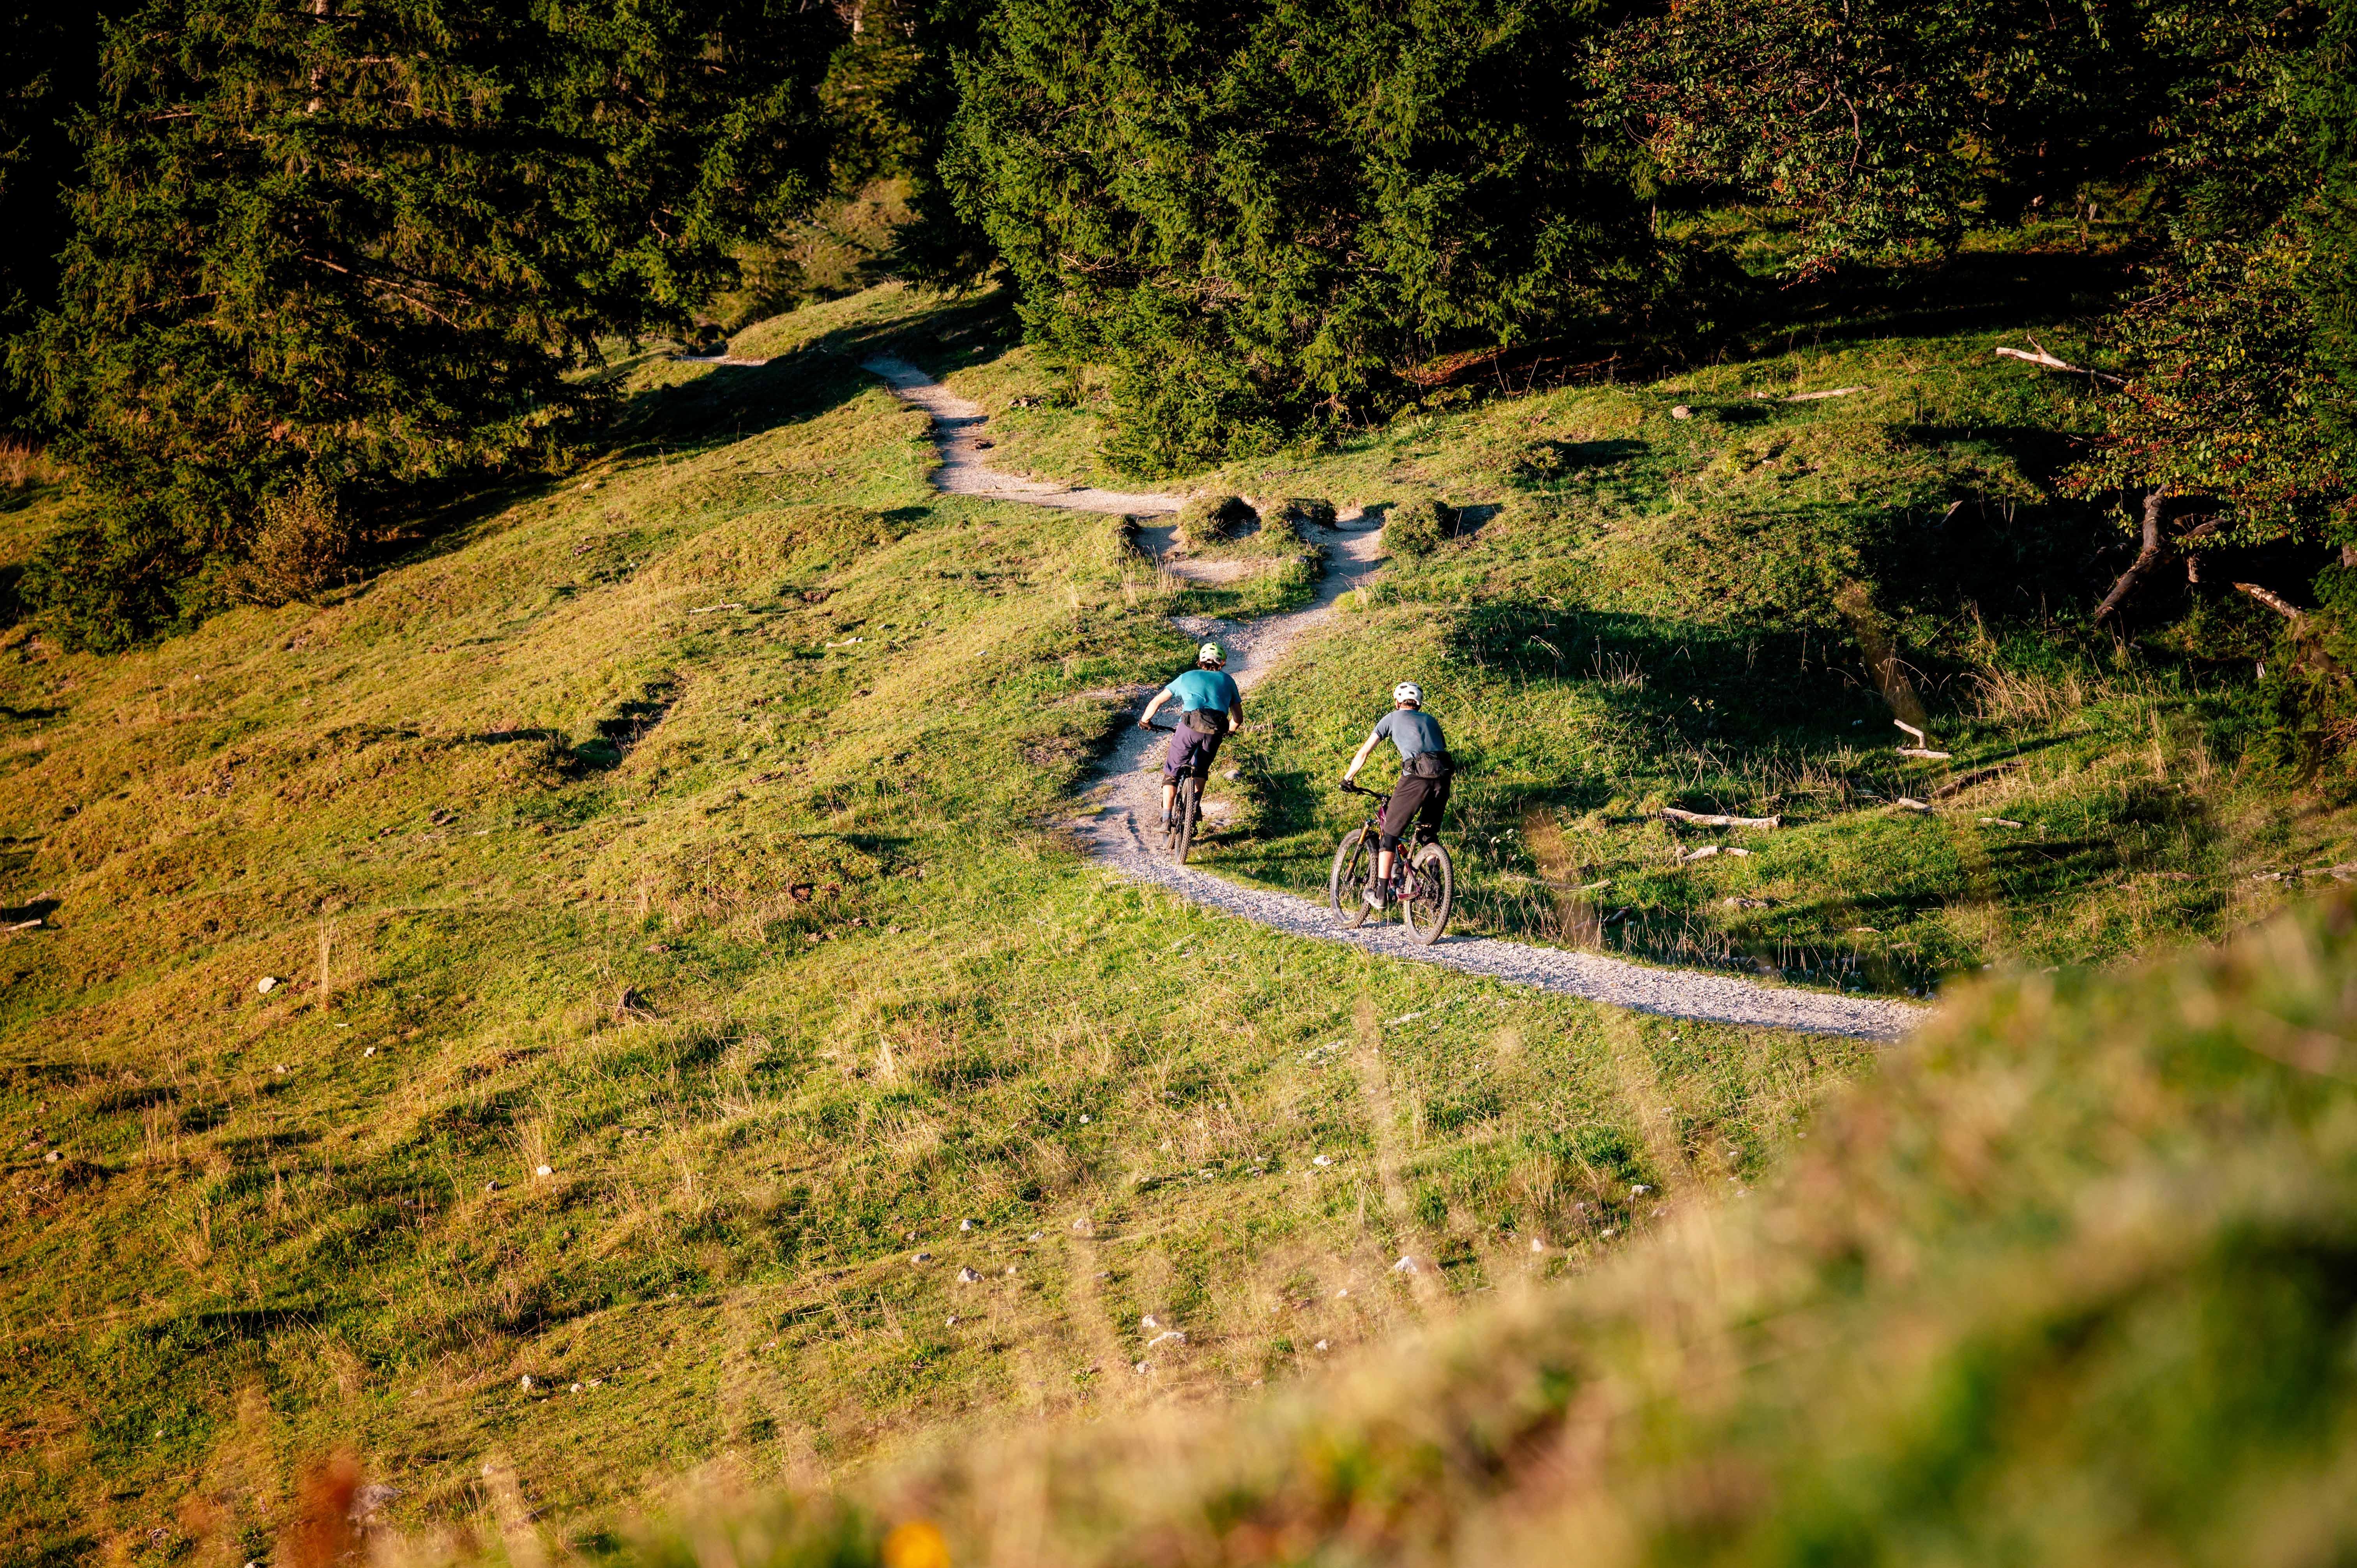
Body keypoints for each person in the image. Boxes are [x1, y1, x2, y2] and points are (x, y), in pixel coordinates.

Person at [1341, 682, 1453, 906]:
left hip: (1415, 779)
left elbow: (1364, 752)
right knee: (1427, 835)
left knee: (1390, 835)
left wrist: (1348, 778)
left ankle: (1381, 895)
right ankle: (1435, 892)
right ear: (1418, 704)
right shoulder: (1432, 720)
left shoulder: (1391, 718)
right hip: (1443, 779)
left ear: (1397, 701)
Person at [1137, 642, 1244, 829]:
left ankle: (1166, 820)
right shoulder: (1228, 681)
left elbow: (1158, 701)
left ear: (1200, 661)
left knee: (1172, 771)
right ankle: (1194, 810)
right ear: (1222, 663)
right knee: (1201, 770)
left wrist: (1145, 721)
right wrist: (1230, 731)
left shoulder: (1186, 677)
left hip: (1189, 729)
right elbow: (1238, 718)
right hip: (1215, 731)